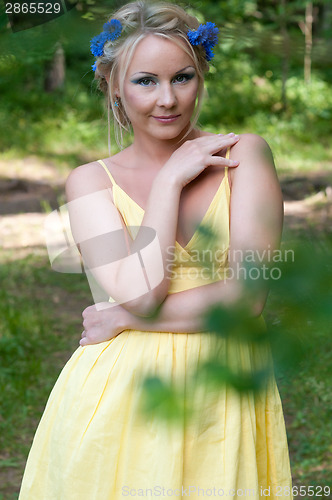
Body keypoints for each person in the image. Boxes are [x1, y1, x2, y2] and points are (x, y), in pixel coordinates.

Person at [19, 0, 293, 498]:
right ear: (113, 87)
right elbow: (143, 293)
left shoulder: (245, 155)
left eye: (182, 78)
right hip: (119, 398)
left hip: (224, 394)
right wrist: (169, 181)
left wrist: (122, 318)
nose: (167, 99)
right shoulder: (89, 183)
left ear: (201, 77)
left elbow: (247, 300)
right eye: (146, 81)